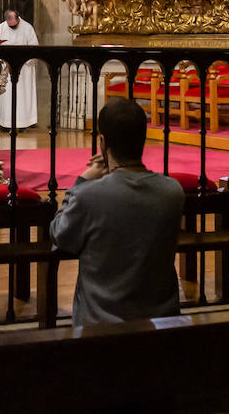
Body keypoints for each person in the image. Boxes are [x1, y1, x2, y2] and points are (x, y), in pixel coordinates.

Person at [50, 98, 185, 327]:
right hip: (160, 323)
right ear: (144, 138)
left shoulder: (89, 195)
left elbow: (60, 235)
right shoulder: (172, 192)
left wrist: (81, 182)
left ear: (103, 143)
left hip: (100, 326)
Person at [0, 10, 39, 129]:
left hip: (23, 70)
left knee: (21, 98)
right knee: (6, 98)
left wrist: (23, 57)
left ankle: (22, 124)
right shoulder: (1, 27)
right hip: (6, 69)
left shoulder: (27, 28)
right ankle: (5, 124)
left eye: (14, 25)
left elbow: (34, 50)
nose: (12, 27)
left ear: (18, 18)